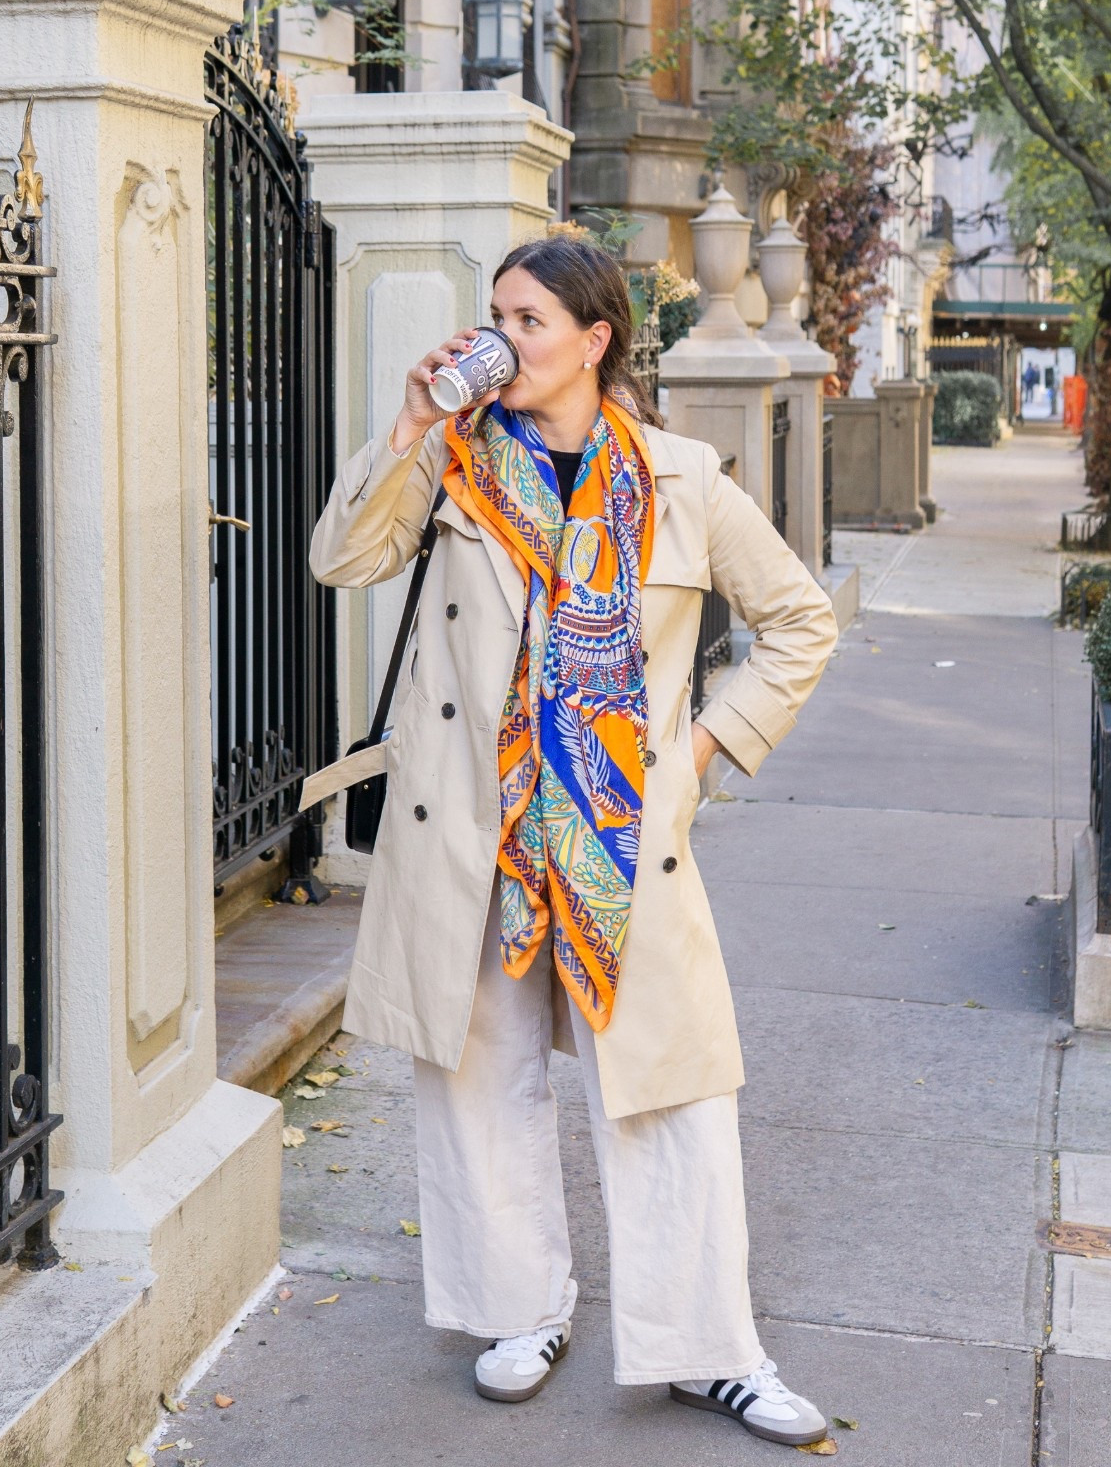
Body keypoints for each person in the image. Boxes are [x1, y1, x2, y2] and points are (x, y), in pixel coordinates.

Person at [310, 236, 839, 1445]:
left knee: (669, 1089)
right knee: (478, 1075)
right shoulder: (452, 460)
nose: (502, 337)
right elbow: (342, 557)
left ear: (595, 339)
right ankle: (519, 1308)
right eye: (495, 313)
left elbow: (799, 620)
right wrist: (408, 424)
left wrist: (695, 756)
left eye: (528, 318)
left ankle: (714, 1349)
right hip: (477, 830)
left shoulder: (682, 477)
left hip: (618, 835)